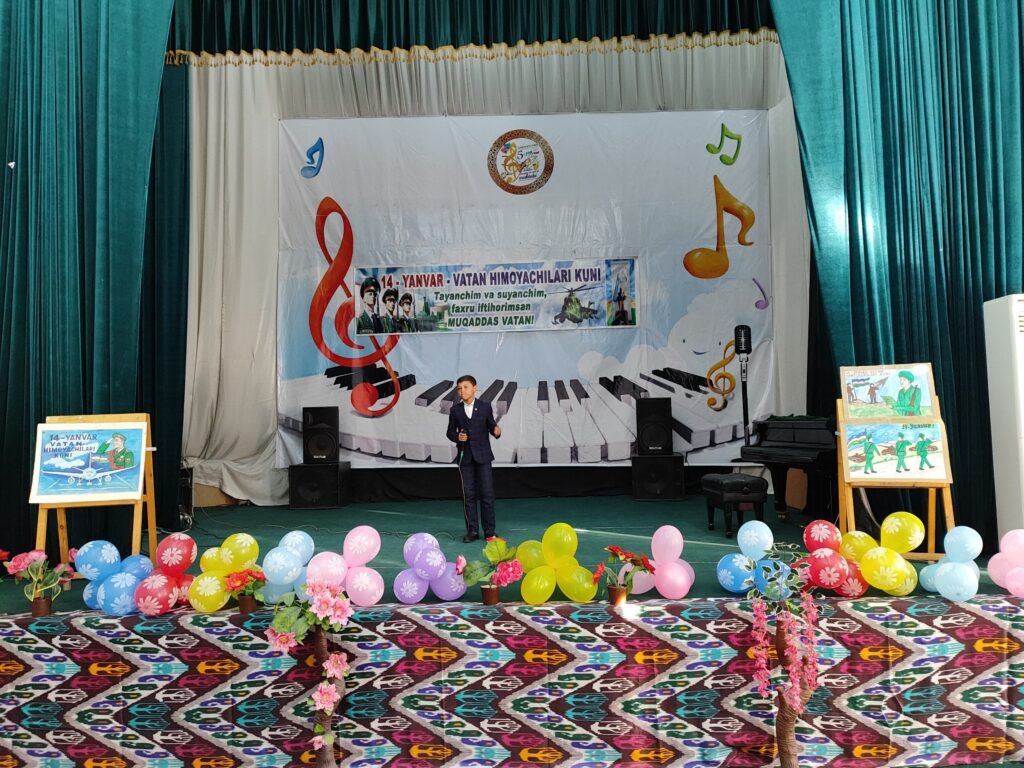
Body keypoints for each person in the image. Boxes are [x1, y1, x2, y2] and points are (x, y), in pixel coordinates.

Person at [447, 374, 501, 542]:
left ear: (474, 388)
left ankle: (489, 531)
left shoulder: (485, 407)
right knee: (469, 496)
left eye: (465, 387)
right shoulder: (455, 410)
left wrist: (496, 431)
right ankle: (472, 531)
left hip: (483, 457)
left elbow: (491, 425)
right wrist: (457, 437)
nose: (462, 391)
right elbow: (450, 432)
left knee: (487, 495)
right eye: (459, 389)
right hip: (465, 458)